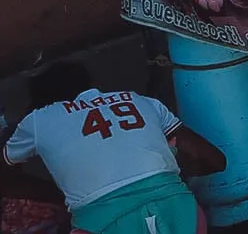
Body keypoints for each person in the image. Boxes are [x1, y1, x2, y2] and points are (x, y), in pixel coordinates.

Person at [2, 62, 226, 234]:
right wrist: (169, 166)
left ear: (42, 103)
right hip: (181, 214)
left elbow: (4, 174)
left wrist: (57, 196)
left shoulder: (39, 119)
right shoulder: (142, 101)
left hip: (103, 224)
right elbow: (214, 160)